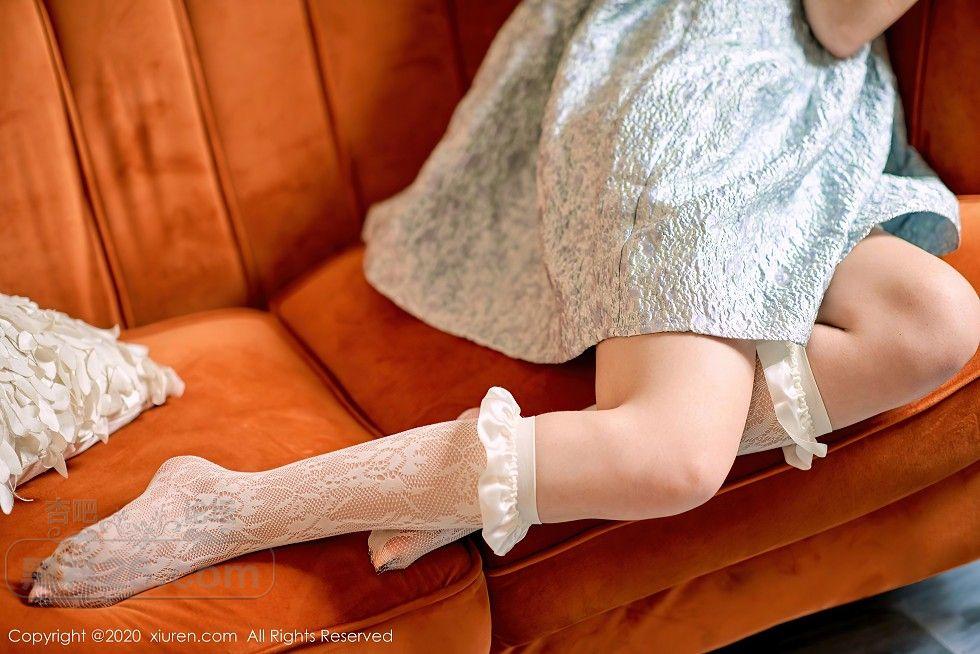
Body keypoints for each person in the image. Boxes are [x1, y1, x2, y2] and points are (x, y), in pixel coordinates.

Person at [29, 0, 978, 607]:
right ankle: (227, 506)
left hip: (814, 117)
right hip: (704, 83)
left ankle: (477, 478)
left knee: (931, 323)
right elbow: (843, 14)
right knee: (671, 456)